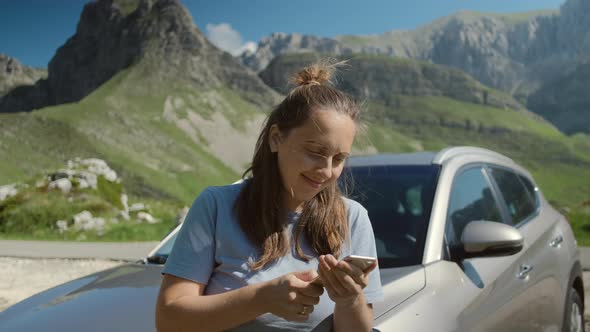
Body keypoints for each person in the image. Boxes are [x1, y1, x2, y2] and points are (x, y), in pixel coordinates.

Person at [155, 60, 383, 332]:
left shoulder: (353, 217)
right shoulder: (216, 206)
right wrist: (262, 299)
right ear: (276, 138)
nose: (326, 170)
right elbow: (169, 320)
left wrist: (349, 300)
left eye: (339, 158)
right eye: (315, 152)